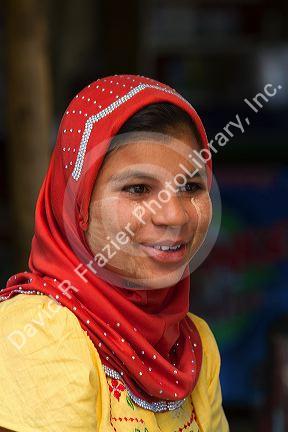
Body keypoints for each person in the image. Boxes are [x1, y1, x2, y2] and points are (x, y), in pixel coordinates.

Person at [0, 74, 229, 432]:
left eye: (190, 186)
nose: (174, 215)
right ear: (79, 204)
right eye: (138, 189)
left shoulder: (193, 345)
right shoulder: (40, 333)